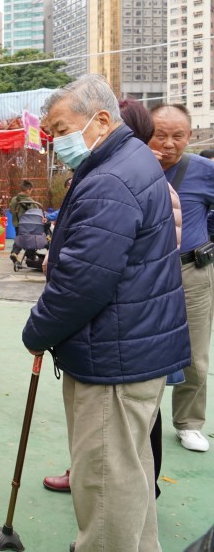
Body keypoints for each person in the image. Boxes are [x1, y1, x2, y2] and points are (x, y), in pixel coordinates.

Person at [23, 75, 189, 552]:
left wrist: (36, 330)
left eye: (59, 128)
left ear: (99, 120)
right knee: (127, 474)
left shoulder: (111, 177)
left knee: (103, 484)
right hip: (131, 345)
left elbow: (83, 281)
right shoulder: (126, 160)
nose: (55, 142)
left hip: (116, 355)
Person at [150, 103, 214, 453]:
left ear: (190, 137)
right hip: (146, 275)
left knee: (195, 353)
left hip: (192, 270)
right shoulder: (134, 168)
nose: (169, 143)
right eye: (161, 135)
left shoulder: (204, 170)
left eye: (178, 136)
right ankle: (145, 415)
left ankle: (189, 422)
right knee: (144, 348)